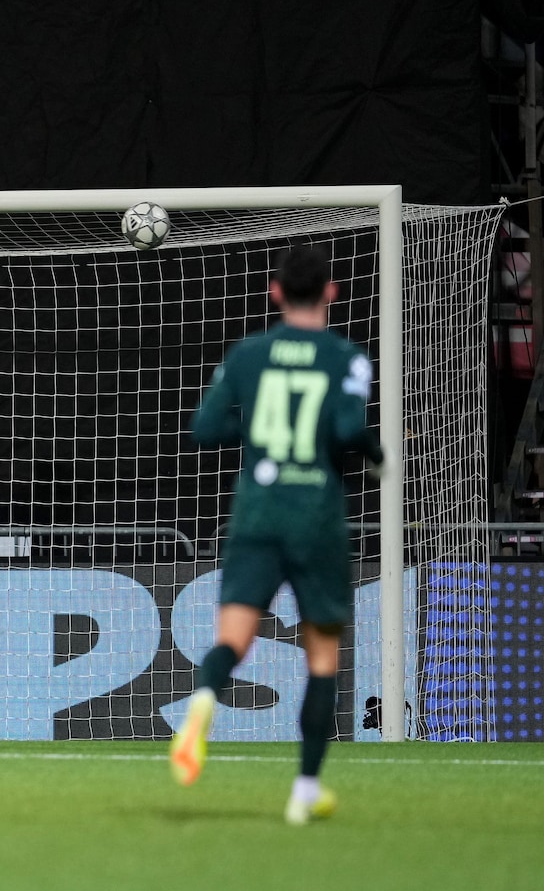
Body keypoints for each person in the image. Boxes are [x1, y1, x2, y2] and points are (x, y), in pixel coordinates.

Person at [170, 245, 384, 825]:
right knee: (321, 658)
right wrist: (375, 455)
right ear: (332, 293)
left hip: (257, 512)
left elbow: (205, 428)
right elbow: (346, 427)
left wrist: (260, 434)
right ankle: (305, 791)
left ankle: (205, 699)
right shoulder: (346, 357)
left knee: (233, 639)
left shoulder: (250, 354)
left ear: (276, 292)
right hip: (315, 514)